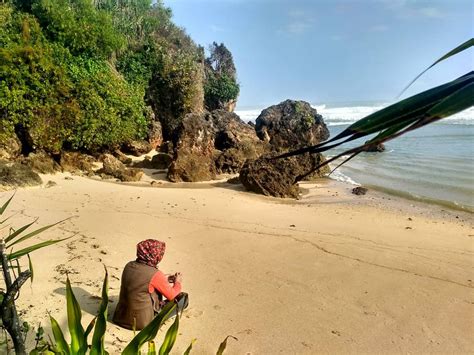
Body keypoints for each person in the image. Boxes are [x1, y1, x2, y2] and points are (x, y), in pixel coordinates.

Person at [113, 239, 189, 330]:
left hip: (120, 318)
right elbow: (173, 296)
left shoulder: (129, 265)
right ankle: (161, 317)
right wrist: (177, 282)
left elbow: (140, 281)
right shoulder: (155, 274)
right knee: (184, 298)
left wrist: (164, 279)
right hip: (141, 323)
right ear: (155, 255)